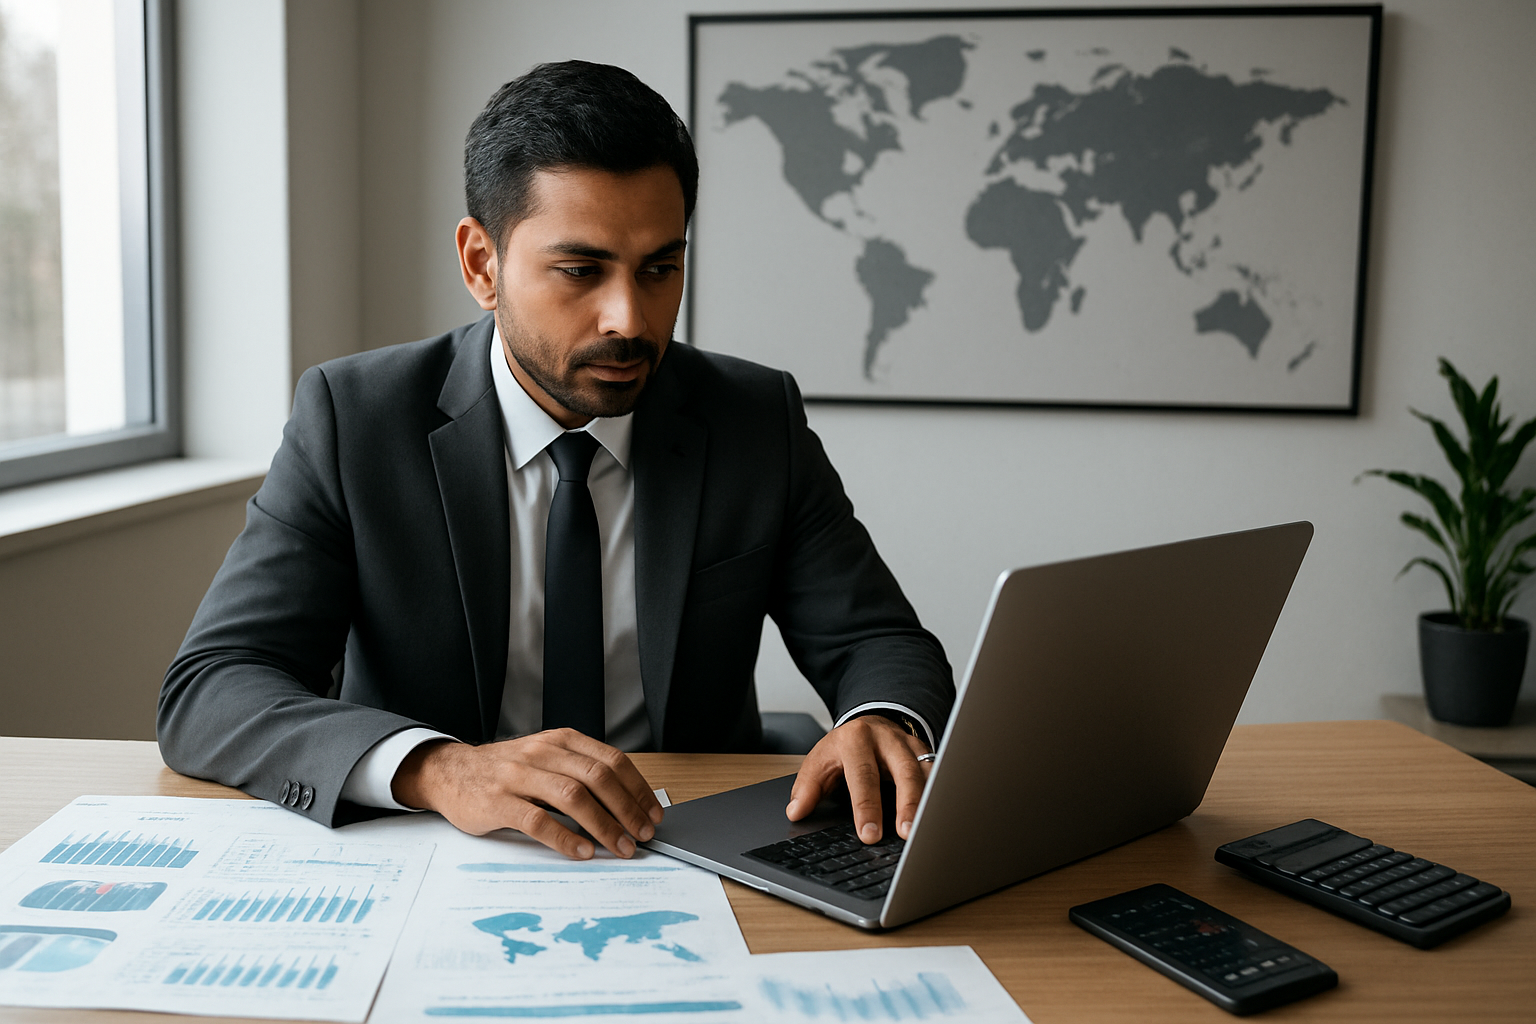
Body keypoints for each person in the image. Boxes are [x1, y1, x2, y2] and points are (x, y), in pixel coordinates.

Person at [158, 60, 953, 863]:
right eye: (580, 270)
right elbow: (214, 687)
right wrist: (439, 768)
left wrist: (879, 721)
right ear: (482, 265)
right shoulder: (355, 418)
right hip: (428, 850)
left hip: (691, 849)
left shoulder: (752, 419)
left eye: (660, 268)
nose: (630, 318)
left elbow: (879, 642)